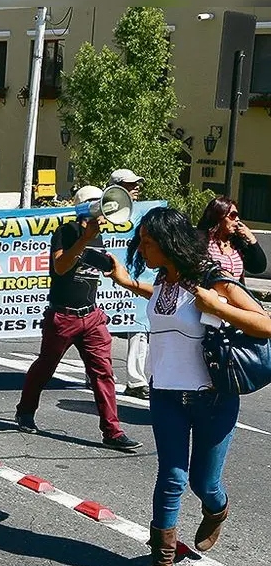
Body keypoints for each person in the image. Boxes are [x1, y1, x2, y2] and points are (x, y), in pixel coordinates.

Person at [107, 207, 271, 566]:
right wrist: (128, 282)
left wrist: (219, 308)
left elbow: (265, 324)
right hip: (165, 394)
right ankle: (162, 559)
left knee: (203, 483)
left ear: (169, 243)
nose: (141, 248)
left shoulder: (214, 279)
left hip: (212, 397)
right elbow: (165, 303)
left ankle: (217, 509)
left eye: (147, 242)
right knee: (172, 476)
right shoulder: (164, 278)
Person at [14, 185, 141, 451]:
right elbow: (60, 267)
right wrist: (84, 239)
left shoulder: (98, 236)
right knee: (46, 366)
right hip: (63, 315)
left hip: (91, 316)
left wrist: (111, 266)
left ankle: (112, 431)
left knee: (103, 373)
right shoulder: (66, 232)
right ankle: (25, 410)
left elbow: (95, 266)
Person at [107, 168, 150, 400]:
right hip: (106, 277)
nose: (136, 188)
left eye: (136, 184)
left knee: (139, 327)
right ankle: (98, 373)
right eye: (130, 184)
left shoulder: (144, 213)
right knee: (100, 329)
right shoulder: (100, 211)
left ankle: (136, 381)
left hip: (135, 277)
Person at [197, 196, 267, 282]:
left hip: (235, 290)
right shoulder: (202, 241)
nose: (237, 219)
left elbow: (259, 267)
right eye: (233, 215)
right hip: (210, 289)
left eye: (237, 216)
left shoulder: (237, 244)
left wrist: (251, 239)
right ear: (219, 216)